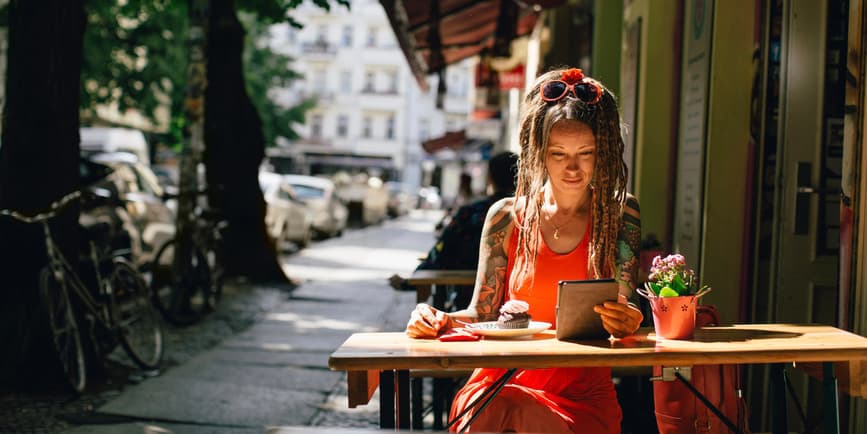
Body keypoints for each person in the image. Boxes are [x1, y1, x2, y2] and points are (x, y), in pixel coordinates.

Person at [405, 67, 643, 433]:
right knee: (510, 407)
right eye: (559, 153)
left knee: (517, 415)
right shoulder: (505, 217)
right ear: (538, 153)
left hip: (581, 394)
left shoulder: (619, 215)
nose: (573, 167)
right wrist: (436, 318)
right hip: (500, 384)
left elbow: (627, 306)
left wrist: (629, 318)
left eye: (586, 152)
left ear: (604, 152)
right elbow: (480, 314)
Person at [389, 151, 519, 310]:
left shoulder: (473, 211)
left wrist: (414, 278)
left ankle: (410, 283)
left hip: (469, 295)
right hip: (519, 298)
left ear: (490, 178)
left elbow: (443, 248)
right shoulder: (532, 212)